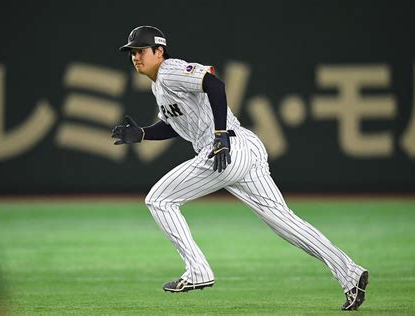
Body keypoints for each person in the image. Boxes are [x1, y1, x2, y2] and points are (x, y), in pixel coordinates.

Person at [112, 25, 369, 311]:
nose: (135, 56)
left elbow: (214, 84)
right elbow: (175, 124)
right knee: (287, 225)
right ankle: (350, 273)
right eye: (132, 52)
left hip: (225, 149)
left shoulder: (170, 70)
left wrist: (220, 134)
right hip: (244, 149)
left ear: (159, 51)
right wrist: (145, 134)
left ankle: (198, 271)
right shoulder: (158, 84)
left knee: (159, 199)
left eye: (141, 50)